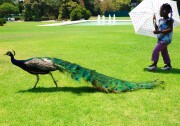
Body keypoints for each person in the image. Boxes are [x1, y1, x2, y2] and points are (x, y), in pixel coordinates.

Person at [147, 3, 174, 71]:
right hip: (161, 38)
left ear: (167, 11)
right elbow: (157, 28)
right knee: (164, 52)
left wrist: (158, 32)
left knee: (156, 50)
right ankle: (168, 65)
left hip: (166, 39)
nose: (160, 12)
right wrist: (154, 21)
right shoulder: (160, 20)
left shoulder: (169, 20)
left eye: (162, 10)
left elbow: (170, 29)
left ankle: (154, 65)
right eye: (160, 10)